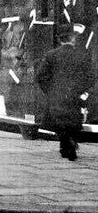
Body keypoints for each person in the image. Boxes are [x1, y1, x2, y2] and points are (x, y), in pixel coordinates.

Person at [36, 26, 96, 161]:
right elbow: (91, 76)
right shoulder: (82, 55)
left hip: (57, 95)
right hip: (74, 95)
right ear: (73, 38)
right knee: (72, 121)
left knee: (60, 122)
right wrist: (81, 90)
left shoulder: (51, 55)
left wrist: (50, 90)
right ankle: (70, 144)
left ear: (59, 39)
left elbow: (40, 77)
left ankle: (66, 145)